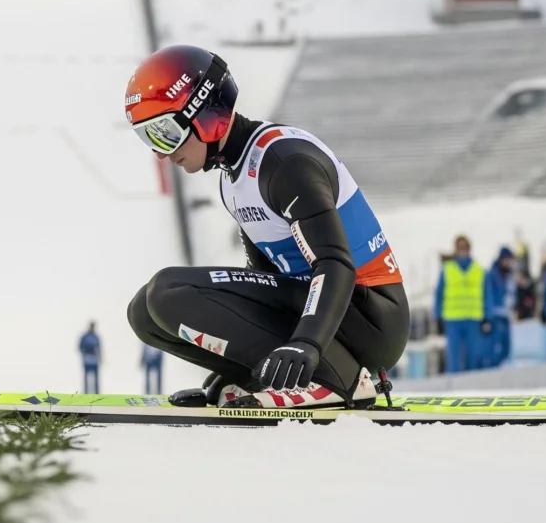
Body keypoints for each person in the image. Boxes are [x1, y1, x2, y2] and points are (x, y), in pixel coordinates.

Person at [124, 45, 409, 410]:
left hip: (369, 320)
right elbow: (263, 279)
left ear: (204, 113)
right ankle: (274, 375)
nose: (162, 153)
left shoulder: (284, 164)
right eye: (149, 139)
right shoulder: (233, 180)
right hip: (321, 313)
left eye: (165, 132)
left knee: (168, 291)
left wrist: (306, 344)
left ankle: (339, 380)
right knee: (144, 313)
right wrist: (244, 366)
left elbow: (336, 264)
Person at [434, 236, 485, 373]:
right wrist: (437, 316)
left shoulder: (479, 270)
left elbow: (487, 295)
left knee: (472, 356)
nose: (462, 250)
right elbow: (439, 294)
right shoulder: (447, 270)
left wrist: (488, 317)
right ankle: (453, 383)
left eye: (465, 247)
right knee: (454, 357)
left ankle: (472, 383)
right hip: (453, 319)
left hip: (473, 319)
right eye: (460, 247)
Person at [483, 246, 516, 368]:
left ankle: (502, 368)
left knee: (507, 347)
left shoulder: (510, 275)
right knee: (495, 347)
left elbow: (512, 294)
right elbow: (489, 295)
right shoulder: (492, 275)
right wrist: (488, 316)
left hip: (506, 315)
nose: (509, 263)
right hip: (496, 315)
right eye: (506, 260)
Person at [78, 321, 101, 393]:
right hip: (87, 359)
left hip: (94, 360)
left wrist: (100, 357)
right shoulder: (85, 336)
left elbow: (99, 348)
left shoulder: (96, 337)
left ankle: (97, 393)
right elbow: (80, 346)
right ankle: (86, 392)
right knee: (86, 377)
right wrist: (84, 353)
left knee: (96, 377)